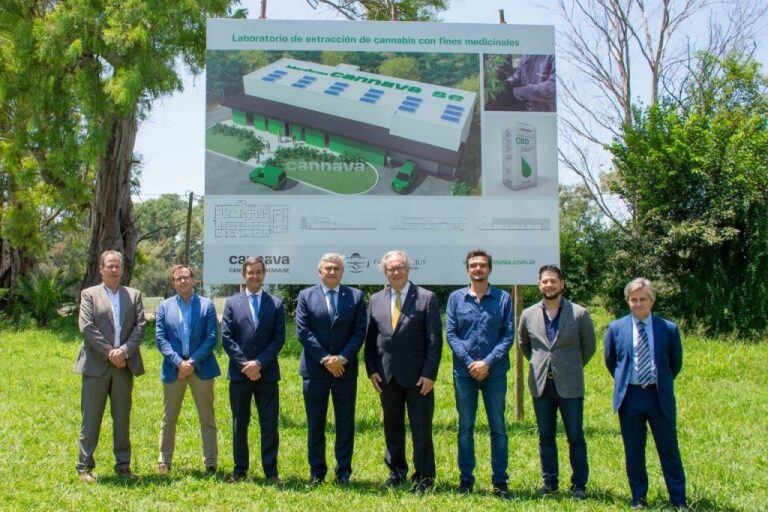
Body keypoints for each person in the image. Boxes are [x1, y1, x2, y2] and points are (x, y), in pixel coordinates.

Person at [604, 278, 687, 510]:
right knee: (634, 449)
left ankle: (678, 498)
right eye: (633, 299)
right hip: (630, 397)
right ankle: (638, 497)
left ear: (652, 301)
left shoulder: (668, 329)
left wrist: (657, 381)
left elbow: (674, 363)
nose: (638, 304)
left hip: (658, 395)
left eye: (642, 299)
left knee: (668, 448)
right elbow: (612, 361)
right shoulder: (616, 328)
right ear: (628, 301)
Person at [365, 250, 442, 493]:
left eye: (400, 267)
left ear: (408, 269)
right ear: (385, 272)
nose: (396, 272)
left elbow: (434, 340)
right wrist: (371, 370)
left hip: (419, 377)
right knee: (392, 427)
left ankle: (424, 477)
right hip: (387, 375)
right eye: (391, 269)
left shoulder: (426, 298)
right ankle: (396, 472)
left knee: (421, 429)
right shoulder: (376, 299)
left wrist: (429, 373)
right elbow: (370, 340)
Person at [518, 264, 596, 500]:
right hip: (541, 384)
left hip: (570, 384)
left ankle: (579, 485)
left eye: (553, 281)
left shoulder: (579, 313)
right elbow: (524, 345)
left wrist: (569, 366)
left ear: (562, 284)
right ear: (539, 284)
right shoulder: (528, 314)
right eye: (545, 281)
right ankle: (549, 482)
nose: (549, 285)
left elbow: (589, 347)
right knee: (546, 436)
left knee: (575, 435)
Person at [445, 250, 514, 498]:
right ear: (467, 270)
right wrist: (470, 363)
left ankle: (500, 481)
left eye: (482, 265)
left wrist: (486, 362)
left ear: (489, 269)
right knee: (465, 427)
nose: (477, 269)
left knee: (498, 428)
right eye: (473, 265)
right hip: (464, 373)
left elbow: (508, 335)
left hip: (494, 373)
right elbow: (451, 333)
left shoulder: (503, 298)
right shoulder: (456, 298)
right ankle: (466, 479)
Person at [295, 253, 367, 486]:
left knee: (345, 423)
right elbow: (303, 331)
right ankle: (317, 472)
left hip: (345, 371)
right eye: (328, 268)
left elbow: (359, 332)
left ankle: (343, 472)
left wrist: (342, 358)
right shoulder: (306, 296)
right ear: (320, 272)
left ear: (342, 272)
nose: (332, 272)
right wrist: (327, 359)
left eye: (336, 268)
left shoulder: (355, 296)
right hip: (315, 371)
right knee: (316, 423)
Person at [75, 250, 145, 482]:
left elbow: (140, 328)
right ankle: (84, 467)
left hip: (124, 366)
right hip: (97, 366)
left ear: (122, 269)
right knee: (91, 417)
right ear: (101, 269)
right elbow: (87, 327)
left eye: (118, 266)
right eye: (110, 266)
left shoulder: (133, 295)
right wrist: (109, 352)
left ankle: (123, 466)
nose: (114, 270)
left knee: (122, 418)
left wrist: (123, 352)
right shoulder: (89, 294)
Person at [221, 257, 286, 484]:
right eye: (250, 272)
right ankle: (240, 470)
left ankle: (271, 472)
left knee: (269, 424)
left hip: (267, 374)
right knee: (240, 424)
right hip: (240, 375)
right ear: (244, 275)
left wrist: (259, 363)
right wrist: (245, 365)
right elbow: (227, 339)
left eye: (258, 272)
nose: (254, 276)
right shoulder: (231, 303)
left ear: (264, 274)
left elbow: (279, 339)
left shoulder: (275, 303)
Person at [155, 265, 220, 475]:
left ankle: (210, 462)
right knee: (169, 417)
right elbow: (161, 339)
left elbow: (211, 337)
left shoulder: (206, 305)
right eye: (178, 279)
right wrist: (178, 363)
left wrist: (191, 362)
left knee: (207, 417)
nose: (182, 281)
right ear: (173, 283)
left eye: (186, 277)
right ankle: (164, 461)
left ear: (194, 280)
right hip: (174, 369)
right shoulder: (164, 307)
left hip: (200, 368)